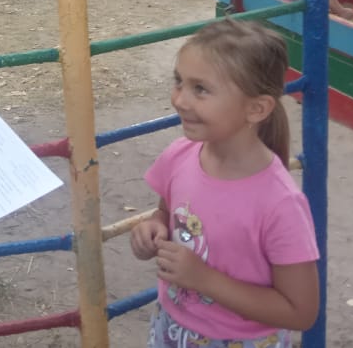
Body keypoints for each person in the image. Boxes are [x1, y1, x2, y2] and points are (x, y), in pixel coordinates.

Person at [130, 19, 320, 348]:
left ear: (256, 108)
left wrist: (204, 279)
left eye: (200, 89)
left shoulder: (280, 203)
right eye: (179, 82)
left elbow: (300, 312)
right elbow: (165, 211)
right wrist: (153, 229)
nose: (180, 100)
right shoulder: (179, 156)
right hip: (171, 329)